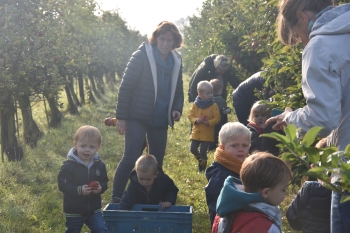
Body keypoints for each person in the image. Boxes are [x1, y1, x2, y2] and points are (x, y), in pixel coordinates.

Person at [267, 1, 350, 232]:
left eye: (297, 34)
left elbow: (324, 118)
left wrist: (290, 119)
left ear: (303, 17)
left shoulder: (320, 46)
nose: (303, 41)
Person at [112, 21, 184, 203]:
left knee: (156, 163)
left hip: (160, 117)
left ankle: (153, 198)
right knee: (130, 158)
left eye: (170, 40)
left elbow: (178, 89)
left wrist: (176, 108)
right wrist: (121, 117)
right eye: (162, 39)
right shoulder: (142, 56)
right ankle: (117, 198)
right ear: (155, 38)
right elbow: (126, 87)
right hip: (138, 115)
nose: (165, 44)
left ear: (175, 42)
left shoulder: (176, 61)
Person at [212, 152, 292, 233]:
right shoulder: (259, 226)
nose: (285, 192)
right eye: (283, 189)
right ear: (266, 192)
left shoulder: (228, 207)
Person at [57, 125, 109, 233]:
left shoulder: (99, 165)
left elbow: (104, 181)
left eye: (92, 147)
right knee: (73, 230)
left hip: (94, 209)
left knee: (101, 230)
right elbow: (63, 184)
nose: (87, 150)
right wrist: (79, 190)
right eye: (83, 146)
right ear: (75, 145)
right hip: (74, 210)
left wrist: (100, 187)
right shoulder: (69, 165)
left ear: (98, 147)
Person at [205, 122, 251, 227]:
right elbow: (217, 205)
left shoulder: (246, 167)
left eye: (244, 145)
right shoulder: (221, 175)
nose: (240, 149)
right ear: (222, 148)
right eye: (234, 145)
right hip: (227, 222)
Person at [188, 81, 221, 172]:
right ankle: (200, 160)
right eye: (207, 93)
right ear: (200, 94)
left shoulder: (213, 105)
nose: (210, 95)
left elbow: (217, 118)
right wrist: (196, 120)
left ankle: (202, 168)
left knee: (203, 151)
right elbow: (190, 115)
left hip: (207, 134)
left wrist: (209, 122)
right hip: (196, 133)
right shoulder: (195, 104)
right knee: (193, 148)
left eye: (211, 93)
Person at [208, 79, 231, 150]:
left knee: (210, 133)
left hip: (210, 119)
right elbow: (224, 110)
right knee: (217, 132)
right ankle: (217, 145)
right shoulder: (221, 99)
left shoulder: (207, 99)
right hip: (219, 120)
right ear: (219, 90)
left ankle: (210, 146)